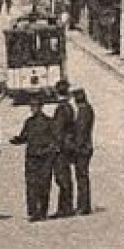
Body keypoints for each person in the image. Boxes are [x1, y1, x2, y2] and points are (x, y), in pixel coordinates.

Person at [9, 96, 59, 222]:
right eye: (31, 106)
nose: (33, 108)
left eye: (35, 106)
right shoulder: (29, 122)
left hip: (44, 157)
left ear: (41, 107)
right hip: (31, 157)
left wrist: (50, 152)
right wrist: (17, 140)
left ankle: (42, 211)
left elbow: (55, 140)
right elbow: (24, 136)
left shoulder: (49, 122)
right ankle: (33, 211)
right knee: (31, 184)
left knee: (44, 184)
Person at [49, 79, 77, 216]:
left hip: (61, 148)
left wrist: (55, 146)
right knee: (65, 177)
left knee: (62, 178)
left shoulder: (61, 109)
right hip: (68, 145)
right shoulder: (69, 107)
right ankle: (66, 206)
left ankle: (65, 208)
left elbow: (58, 130)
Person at [67, 88, 95, 216]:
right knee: (82, 176)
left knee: (81, 177)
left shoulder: (84, 112)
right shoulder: (87, 109)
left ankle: (83, 206)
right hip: (86, 147)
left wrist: (74, 148)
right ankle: (83, 205)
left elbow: (81, 132)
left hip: (82, 149)